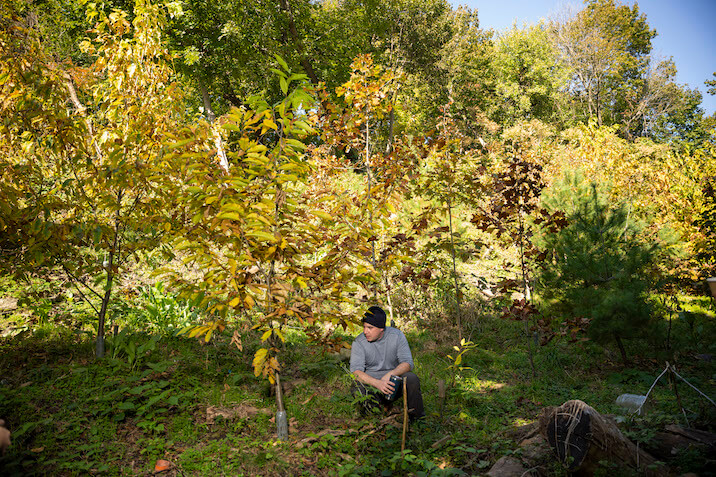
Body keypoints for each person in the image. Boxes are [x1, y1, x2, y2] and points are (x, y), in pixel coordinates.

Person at [349, 305, 425, 421]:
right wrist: (377, 383)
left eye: (370, 328)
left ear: (381, 329)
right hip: (372, 386)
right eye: (364, 327)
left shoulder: (397, 336)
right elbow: (356, 372)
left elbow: (408, 363)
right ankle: (375, 419)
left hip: (393, 383)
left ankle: (417, 419)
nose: (365, 331)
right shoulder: (359, 342)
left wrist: (391, 374)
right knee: (357, 387)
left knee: (411, 378)